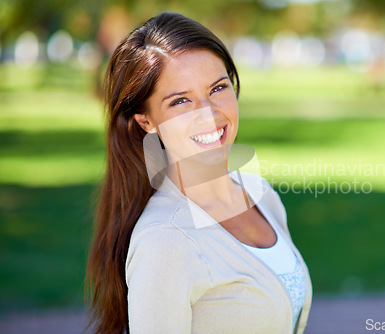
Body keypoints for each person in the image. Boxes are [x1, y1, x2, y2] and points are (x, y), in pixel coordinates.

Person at [85, 12, 313, 334]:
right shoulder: (164, 241)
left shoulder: (261, 196)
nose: (208, 114)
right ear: (146, 121)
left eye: (218, 88)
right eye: (180, 101)